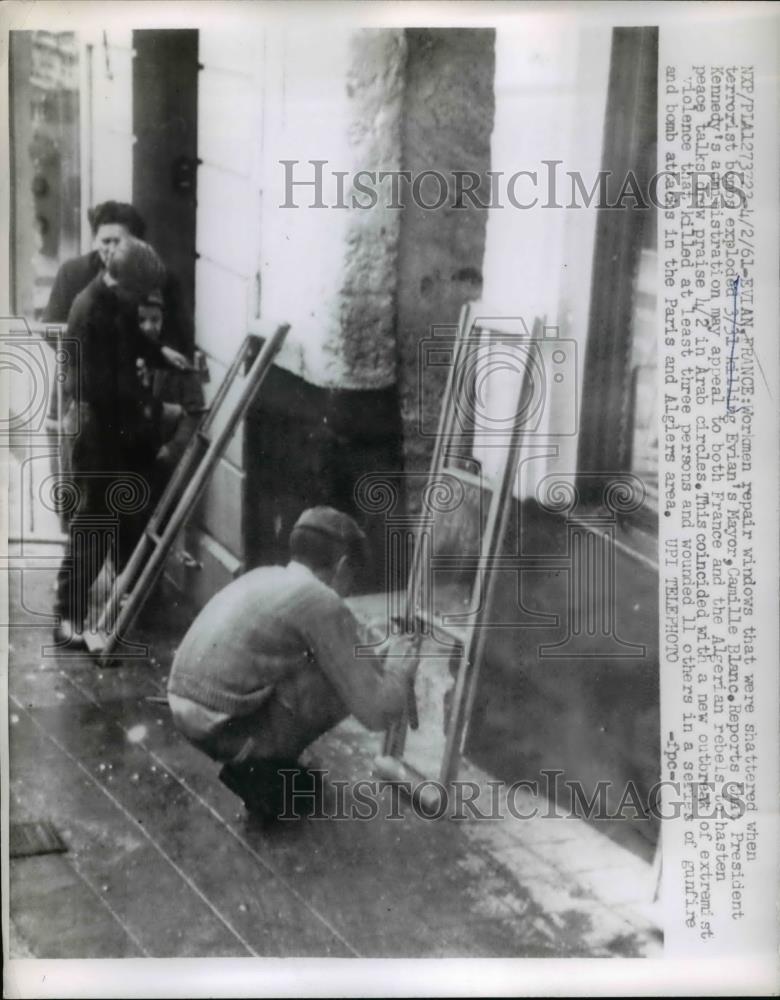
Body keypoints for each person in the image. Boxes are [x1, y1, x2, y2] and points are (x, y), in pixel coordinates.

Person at [167, 507, 418, 821]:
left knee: (331, 663)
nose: (349, 589)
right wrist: (398, 668)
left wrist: (368, 650)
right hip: (222, 727)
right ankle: (264, 773)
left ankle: (263, 764)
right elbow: (376, 713)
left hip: (186, 705)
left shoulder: (266, 575)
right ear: (342, 567)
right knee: (340, 682)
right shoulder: (321, 600)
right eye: (351, 578)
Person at [53, 237, 189, 647]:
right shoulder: (89, 310)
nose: (140, 301)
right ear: (120, 282)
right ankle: (67, 617)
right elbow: (89, 385)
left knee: (126, 516)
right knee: (92, 526)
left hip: (118, 429)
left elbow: (134, 339)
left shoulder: (117, 300)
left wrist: (161, 355)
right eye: (138, 292)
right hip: (97, 433)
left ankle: (127, 600)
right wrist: (139, 400)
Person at [136, 289, 205, 495]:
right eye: (141, 320)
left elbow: (194, 412)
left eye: (155, 319)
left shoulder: (176, 362)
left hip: (162, 464)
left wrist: (173, 449)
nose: (149, 327)